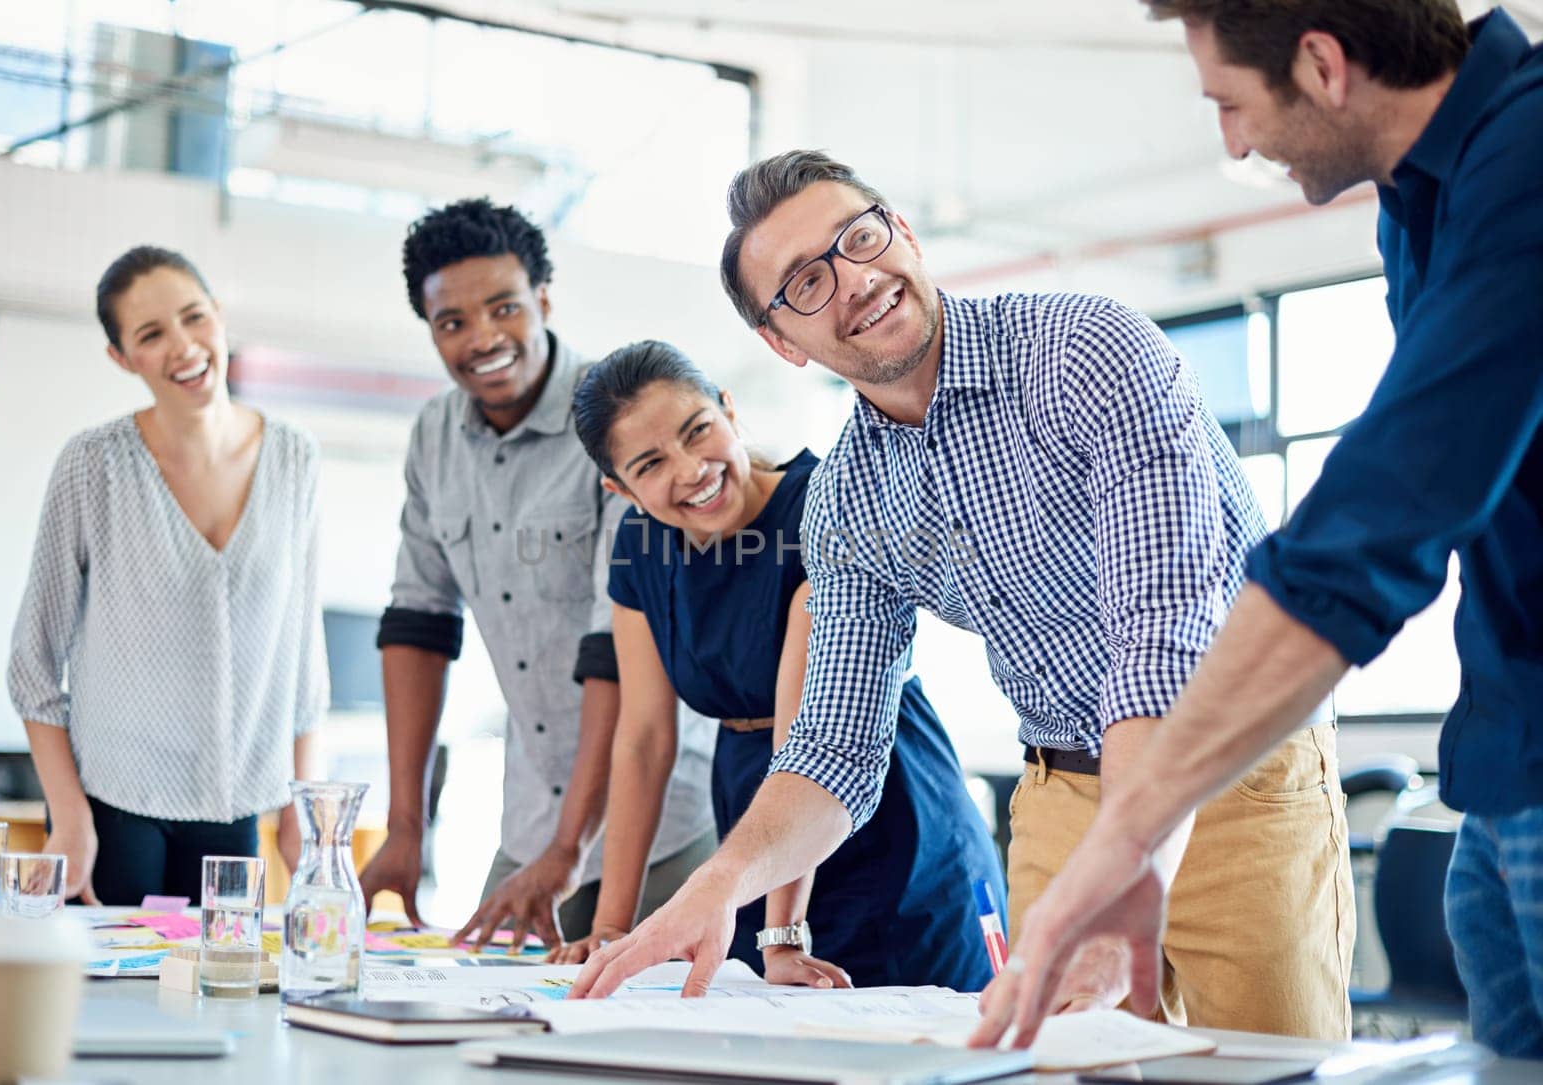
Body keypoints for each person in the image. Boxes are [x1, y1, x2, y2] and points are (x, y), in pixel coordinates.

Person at [571, 151, 1353, 1038]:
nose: (856, 280)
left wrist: (1126, 862)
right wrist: (716, 889)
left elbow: (1164, 626)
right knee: (1060, 1065)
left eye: (860, 237)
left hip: (1237, 771)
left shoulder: (1087, 350)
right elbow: (833, 748)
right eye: (805, 283)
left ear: (900, 228)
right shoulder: (848, 499)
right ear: (782, 343)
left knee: (1264, 1065)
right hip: (1062, 790)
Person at [979, 0, 1543, 1059]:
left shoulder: (1527, 158)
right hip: (1503, 769)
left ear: (1322, 65)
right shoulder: (1418, 201)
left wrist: (1130, 832)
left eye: (1229, 105)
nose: (1234, 142)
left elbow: (1382, 513)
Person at [555, 340, 1005, 990]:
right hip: (755, 825)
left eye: (698, 431)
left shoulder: (823, 510)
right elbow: (645, 740)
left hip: (885, 815)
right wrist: (609, 928)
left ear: (729, 411)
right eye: (651, 463)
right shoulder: (639, 543)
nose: (691, 470)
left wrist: (783, 935)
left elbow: (809, 745)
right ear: (619, 487)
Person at [357, 199, 716, 949]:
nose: (481, 339)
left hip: (662, 823)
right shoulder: (434, 437)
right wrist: (403, 828)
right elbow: (418, 626)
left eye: (503, 308)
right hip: (529, 820)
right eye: (451, 323)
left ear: (543, 300)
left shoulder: (614, 420)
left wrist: (570, 849)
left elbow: (613, 650)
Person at [8, 245, 325, 905]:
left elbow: (301, 656)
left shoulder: (294, 459)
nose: (183, 345)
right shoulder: (94, 465)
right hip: (112, 807)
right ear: (123, 358)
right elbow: (33, 666)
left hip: (238, 806)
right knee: (115, 1002)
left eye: (193, 317)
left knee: (225, 998)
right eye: (152, 334)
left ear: (219, 315)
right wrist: (70, 817)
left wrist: (305, 816)